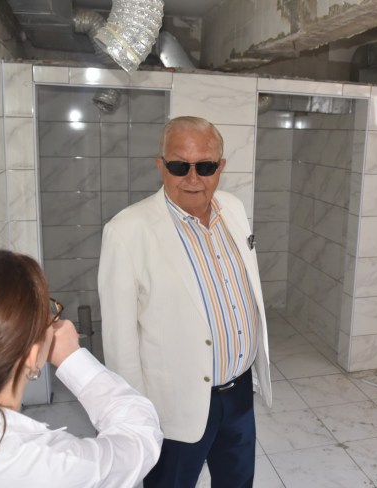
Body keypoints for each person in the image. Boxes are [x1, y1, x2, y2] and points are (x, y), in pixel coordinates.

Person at [98, 115, 272, 488]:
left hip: (239, 392)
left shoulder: (233, 209)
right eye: (180, 166)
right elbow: (119, 342)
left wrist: (252, 372)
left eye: (205, 166)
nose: (193, 178)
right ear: (161, 165)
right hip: (173, 404)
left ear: (220, 167)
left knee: (237, 482)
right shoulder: (126, 231)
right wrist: (138, 416)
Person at [0, 250, 163, 488]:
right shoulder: (42, 464)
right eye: (48, 314)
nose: (53, 319)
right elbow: (140, 437)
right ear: (31, 355)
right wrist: (73, 358)